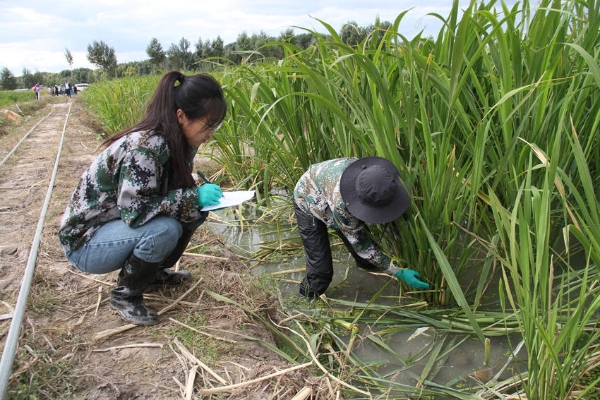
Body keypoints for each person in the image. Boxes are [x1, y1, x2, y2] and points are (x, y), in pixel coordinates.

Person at [59, 71, 227, 326]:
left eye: (215, 126)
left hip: (114, 227)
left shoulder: (178, 143)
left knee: (190, 213)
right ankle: (124, 296)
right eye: (208, 125)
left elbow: (167, 196)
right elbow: (135, 212)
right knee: (165, 228)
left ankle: (152, 274)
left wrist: (196, 200)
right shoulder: (146, 147)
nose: (211, 133)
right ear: (181, 116)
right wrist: (192, 197)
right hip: (86, 242)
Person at [293, 156, 429, 299]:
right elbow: (361, 245)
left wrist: (418, 246)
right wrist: (398, 272)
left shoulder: (381, 178)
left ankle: (365, 266)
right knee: (321, 272)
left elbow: (399, 219)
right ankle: (306, 298)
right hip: (308, 198)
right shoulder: (341, 205)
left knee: (367, 260)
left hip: (330, 186)